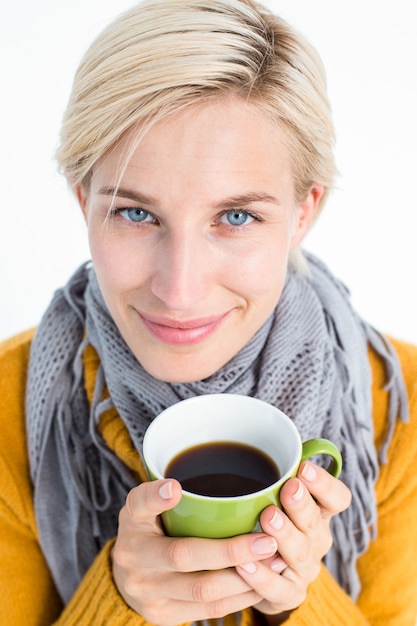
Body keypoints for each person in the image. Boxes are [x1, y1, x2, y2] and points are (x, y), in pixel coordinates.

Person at [1, 0, 417, 624]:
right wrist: (120, 597)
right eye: (135, 213)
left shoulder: (397, 408)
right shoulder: (9, 406)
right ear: (84, 200)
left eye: (237, 216)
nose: (180, 289)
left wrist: (297, 605)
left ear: (304, 211)